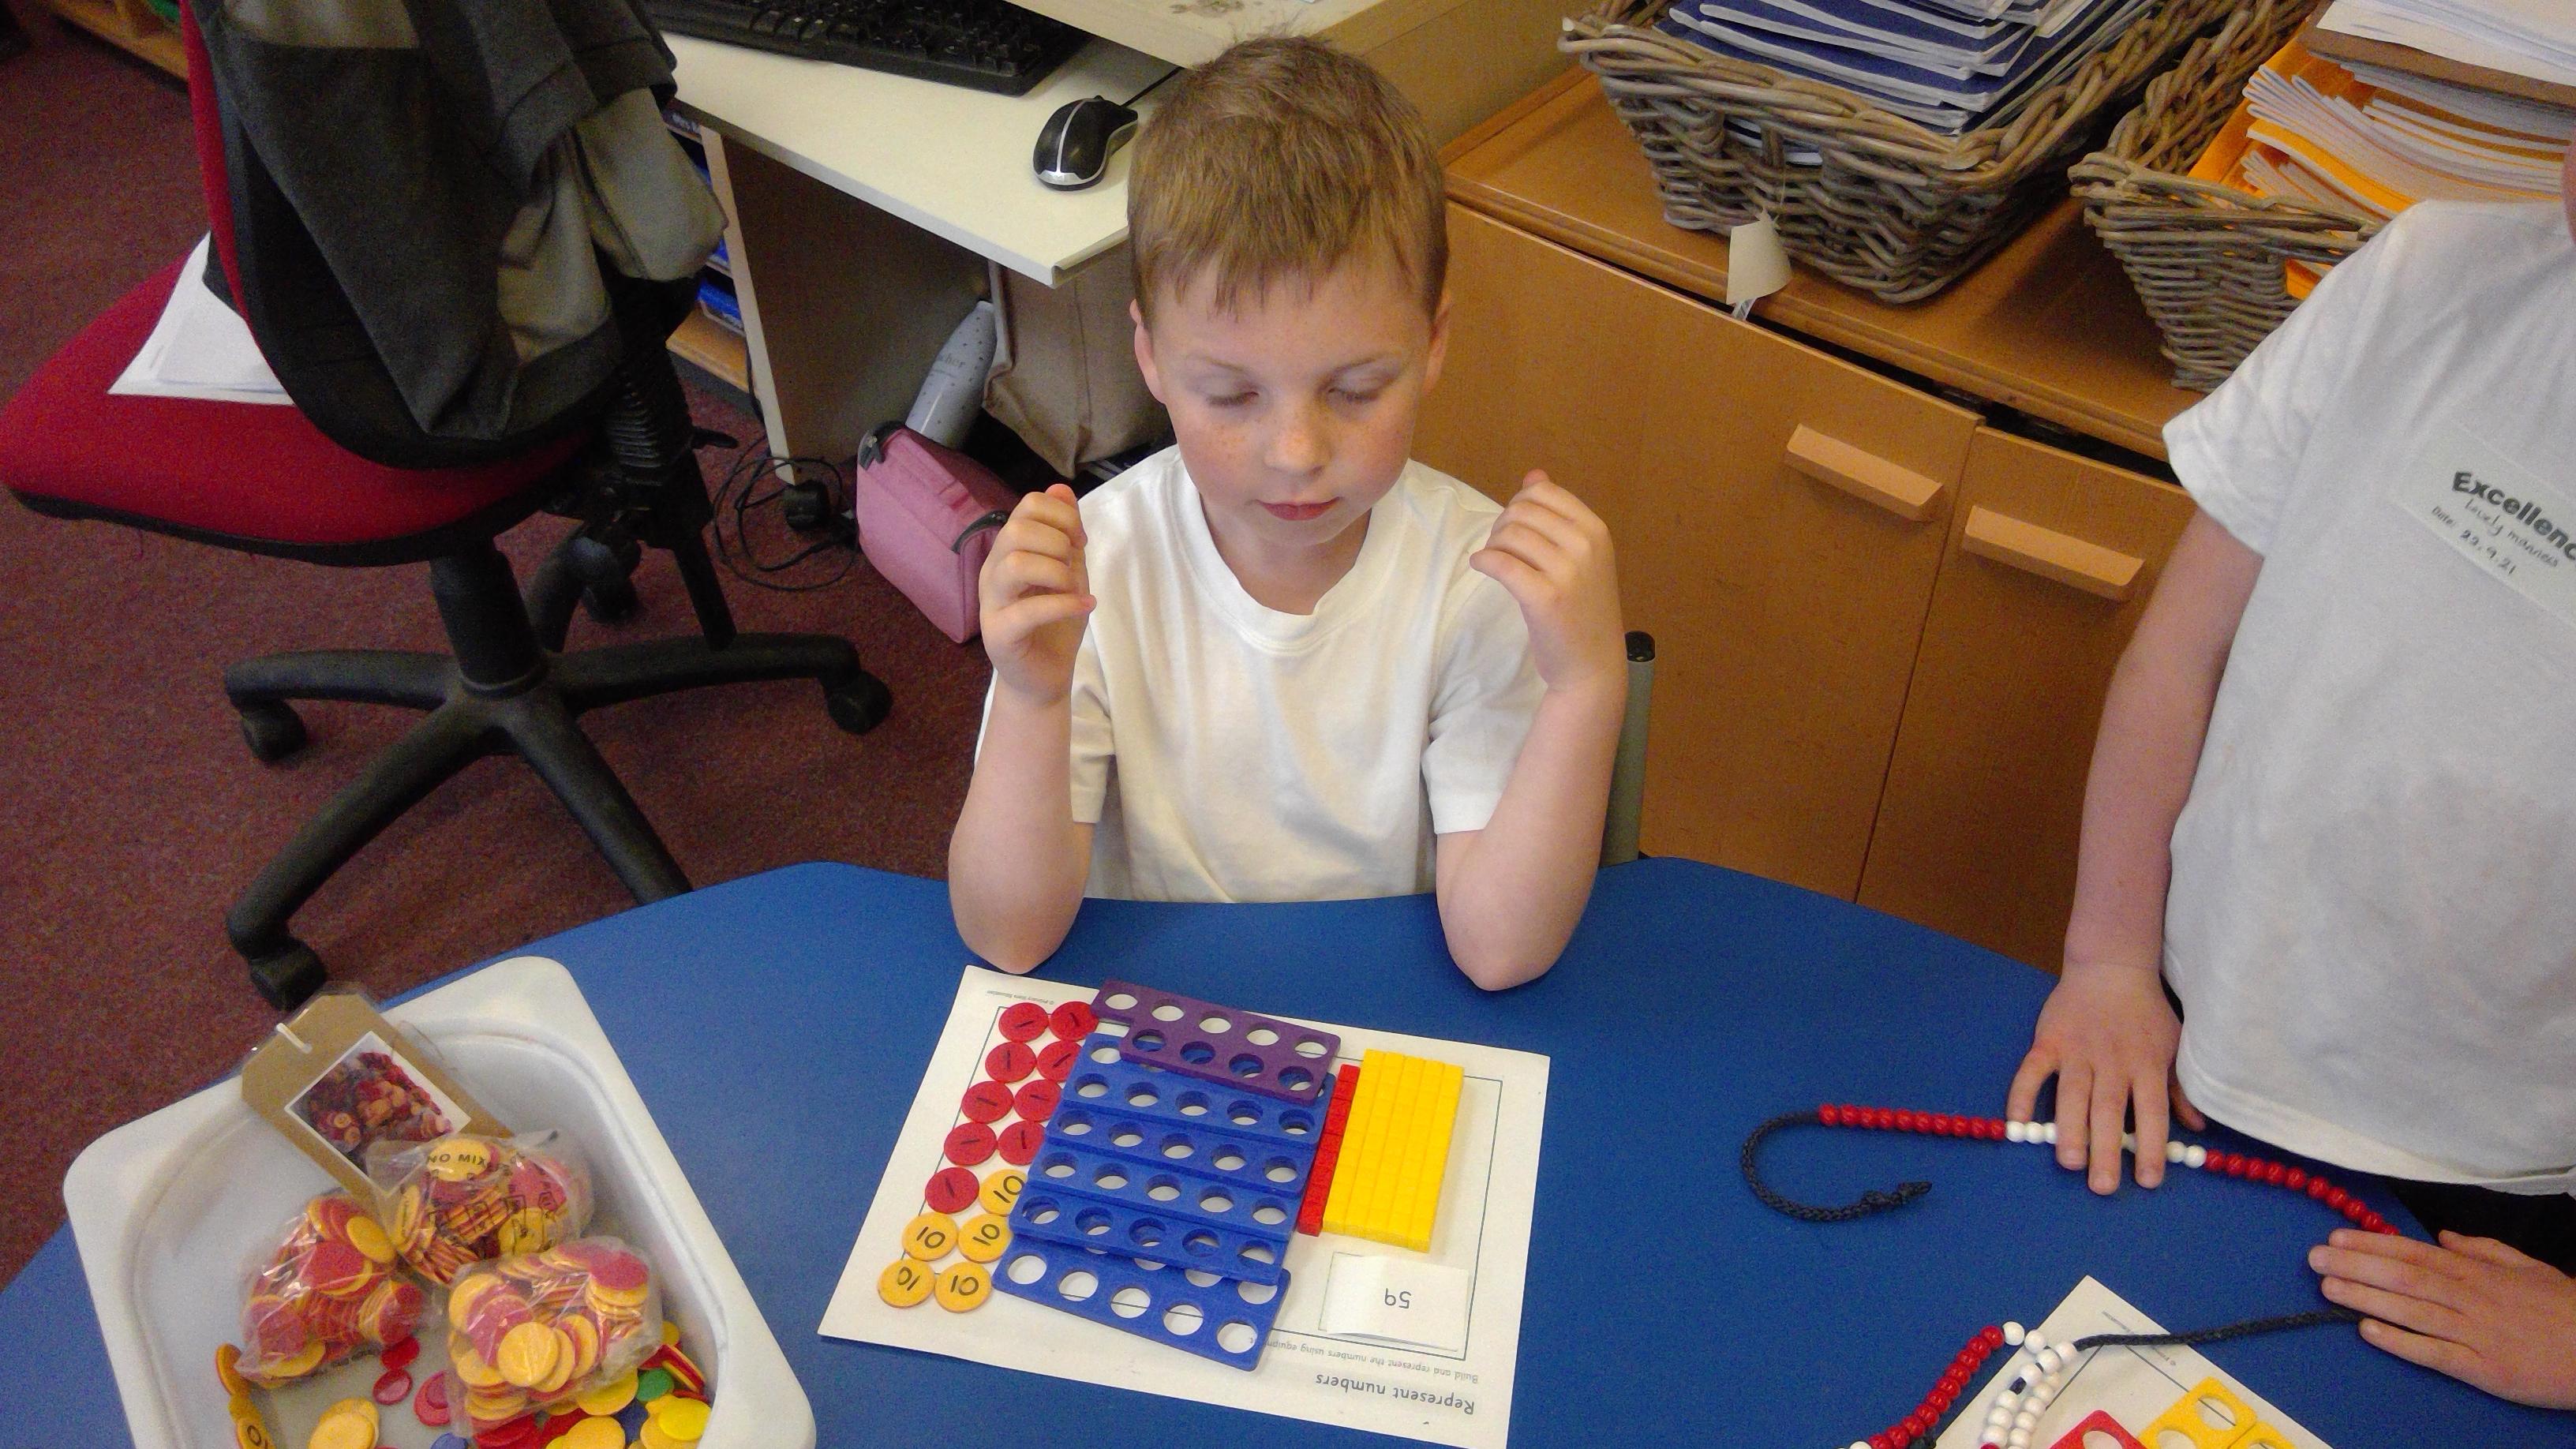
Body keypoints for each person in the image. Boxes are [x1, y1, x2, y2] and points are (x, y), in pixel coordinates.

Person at [2006, 145, 2576, 1408]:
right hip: (2189, 1038)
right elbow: (2179, 656)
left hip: (2501, 1200)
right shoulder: (2429, 275)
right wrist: (2110, 957)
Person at [947, 36, 1625, 990]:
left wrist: (1585, 689)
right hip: (1159, 1007)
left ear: (1433, 343)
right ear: (1151, 358)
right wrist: (1032, 698)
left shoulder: (1477, 582)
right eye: (1231, 396)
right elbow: (1008, 936)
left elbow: (1500, 950)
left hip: (1383, 1014)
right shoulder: (1098, 568)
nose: (1298, 452)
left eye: (1355, 389)